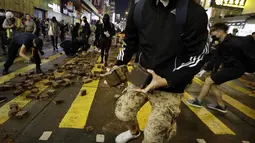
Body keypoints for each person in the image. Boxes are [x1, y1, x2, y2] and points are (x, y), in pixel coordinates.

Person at [114, 0, 209, 142]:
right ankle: (134, 132)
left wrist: (167, 80)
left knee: (154, 137)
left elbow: (198, 56)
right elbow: (129, 41)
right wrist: (118, 64)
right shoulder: (139, 8)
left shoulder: (194, 12)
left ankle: (167, 128)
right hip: (140, 75)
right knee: (123, 113)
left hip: (171, 83)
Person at [187, 23, 247, 113]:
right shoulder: (222, 42)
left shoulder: (233, 42)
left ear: (220, 31)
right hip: (229, 67)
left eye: (213, 32)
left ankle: (198, 101)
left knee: (208, 80)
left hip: (234, 69)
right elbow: (216, 58)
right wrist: (206, 69)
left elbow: (241, 54)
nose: (212, 34)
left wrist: (207, 69)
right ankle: (221, 106)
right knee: (212, 83)